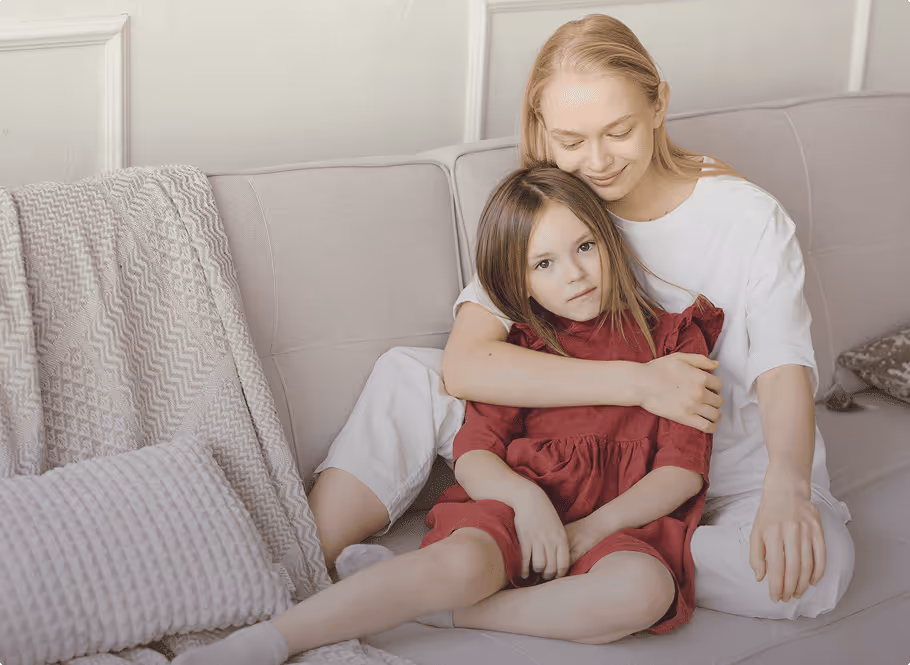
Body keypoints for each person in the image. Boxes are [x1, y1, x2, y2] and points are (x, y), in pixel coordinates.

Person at [308, 12, 854, 621]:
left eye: (617, 131)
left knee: (814, 574)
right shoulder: (557, 206)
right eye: (571, 142)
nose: (596, 161)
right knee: (409, 373)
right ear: (544, 131)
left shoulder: (748, 218)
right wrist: (641, 383)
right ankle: (302, 566)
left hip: (711, 478)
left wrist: (789, 484)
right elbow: (466, 363)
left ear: (658, 107)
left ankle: (463, 591)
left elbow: (784, 368)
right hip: (564, 453)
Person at [174, 165, 725, 664]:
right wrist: (526, 500)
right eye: (545, 264)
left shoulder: (674, 339)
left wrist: (589, 531)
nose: (574, 276)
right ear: (517, 282)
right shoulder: (522, 348)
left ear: (609, 239)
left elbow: (681, 470)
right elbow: (476, 452)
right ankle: (268, 640)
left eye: (585, 247)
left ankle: (454, 614)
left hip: (612, 527)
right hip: (514, 506)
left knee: (644, 592)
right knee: (460, 565)